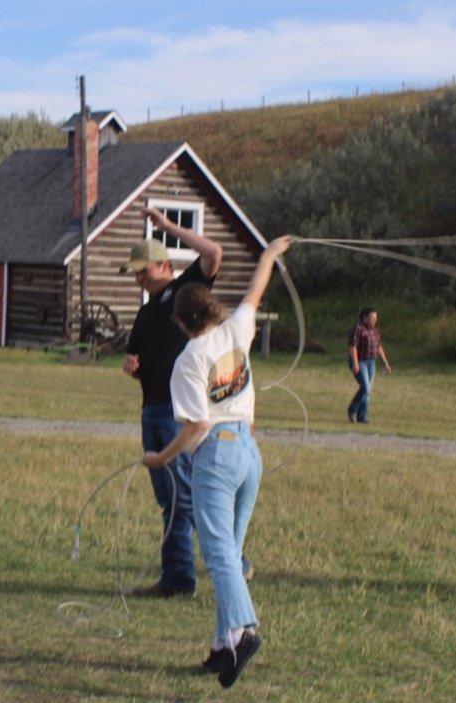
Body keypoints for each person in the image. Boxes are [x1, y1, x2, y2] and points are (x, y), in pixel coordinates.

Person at [143, 235, 293, 689]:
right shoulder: (235, 331)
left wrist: (160, 458)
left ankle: (242, 632)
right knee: (228, 554)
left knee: (220, 556)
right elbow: (253, 292)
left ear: (182, 322)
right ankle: (219, 647)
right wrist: (267, 255)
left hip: (219, 456)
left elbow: (195, 428)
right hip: (250, 453)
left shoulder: (188, 360)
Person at [122, 207, 223, 598]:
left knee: (184, 497)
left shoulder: (186, 292)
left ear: (164, 265)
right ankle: (178, 579)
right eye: (135, 271)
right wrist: (130, 366)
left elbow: (213, 253)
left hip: (177, 411)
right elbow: (136, 360)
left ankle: (233, 561)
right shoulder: (146, 312)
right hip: (152, 410)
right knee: (171, 500)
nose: (138, 276)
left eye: (143, 269)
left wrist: (169, 228)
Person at [347, 307, 392, 424]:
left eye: (375, 318)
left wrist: (385, 363)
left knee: (368, 390)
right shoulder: (358, 329)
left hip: (371, 362)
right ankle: (352, 410)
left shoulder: (375, 331)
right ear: (365, 317)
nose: (374, 320)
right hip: (360, 361)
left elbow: (378, 348)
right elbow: (352, 347)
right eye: (371, 318)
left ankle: (362, 416)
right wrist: (355, 363)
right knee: (365, 388)